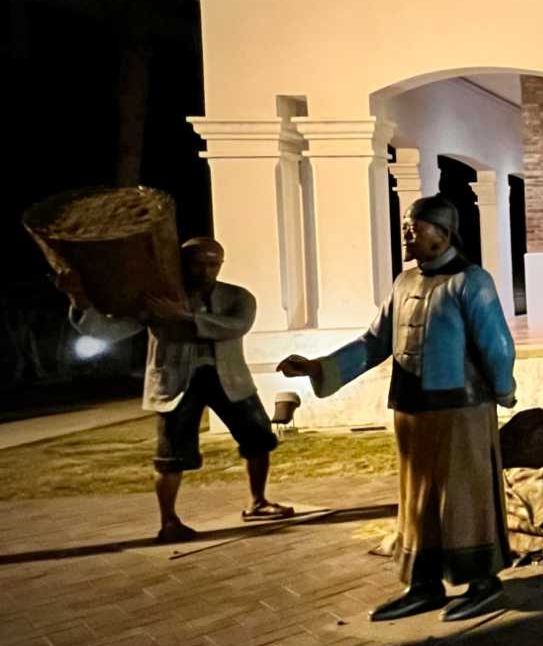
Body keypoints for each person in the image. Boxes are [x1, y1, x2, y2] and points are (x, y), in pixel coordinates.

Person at [278, 196, 517, 623]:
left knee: (465, 495)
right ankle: (423, 584)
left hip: (461, 409)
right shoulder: (403, 283)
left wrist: (503, 389)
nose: (408, 232)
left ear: (443, 233)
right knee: (416, 499)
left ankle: (482, 581)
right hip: (410, 409)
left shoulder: (471, 280)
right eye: (407, 224)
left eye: (417, 225)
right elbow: (374, 342)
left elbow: (496, 343)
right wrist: (319, 367)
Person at [57, 237, 288, 542]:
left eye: (212, 263)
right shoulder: (156, 299)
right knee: (170, 455)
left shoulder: (237, 296)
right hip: (176, 382)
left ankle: (258, 501)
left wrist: (185, 317)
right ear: (181, 264)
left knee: (258, 438)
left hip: (230, 379)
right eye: (197, 263)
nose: (205, 270)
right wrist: (79, 300)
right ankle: (169, 521)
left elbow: (236, 325)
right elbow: (111, 330)